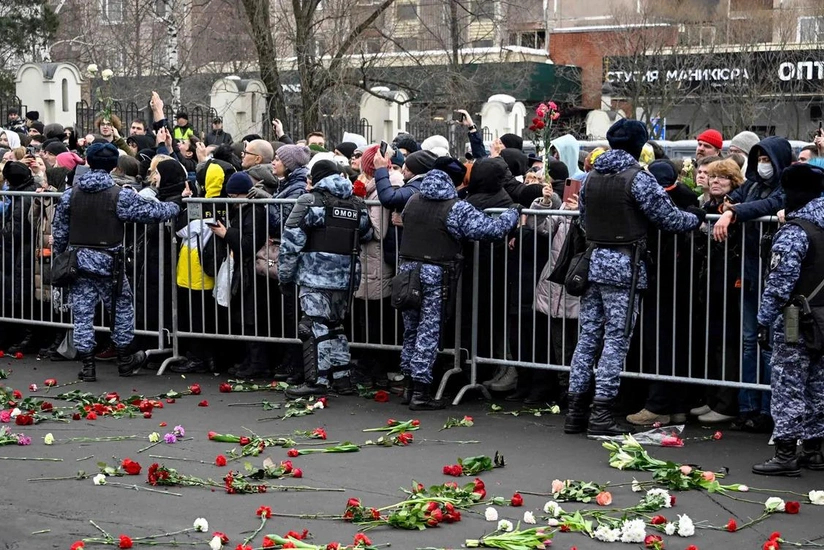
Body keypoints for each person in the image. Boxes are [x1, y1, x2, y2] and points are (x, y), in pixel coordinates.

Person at [564, 119, 705, 437]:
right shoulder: (637, 178)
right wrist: (695, 216)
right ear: (640, 145)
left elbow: (584, 220)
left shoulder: (591, 177)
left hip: (595, 260)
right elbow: (668, 218)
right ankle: (601, 412)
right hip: (625, 265)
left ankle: (575, 412)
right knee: (615, 340)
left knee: (587, 340)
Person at [51, 143, 188, 382]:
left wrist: (61, 255)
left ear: (89, 163)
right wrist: (176, 203)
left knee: (82, 314)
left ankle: (88, 366)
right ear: (114, 165)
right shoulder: (119, 194)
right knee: (122, 309)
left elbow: (60, 232)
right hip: (109, 263)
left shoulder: (70, 194)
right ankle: (125, 361)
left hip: (78, 261)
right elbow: (151, 213)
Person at [396, 163, 520, 410]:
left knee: (410, 331)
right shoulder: (454, 207)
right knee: (428, 333)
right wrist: (513, 213)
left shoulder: (412, 201)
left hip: (406, 271)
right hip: (435, 274)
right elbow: (490, 230)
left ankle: (409, 386)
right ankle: (421, 392)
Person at [713, 136, 793, 433]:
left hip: (773, 279)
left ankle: (772, 409)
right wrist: (731, 206)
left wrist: (734, 212)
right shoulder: (751, 184)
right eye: (758, 159)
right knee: (750, 343)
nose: (762, 165)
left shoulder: (785, 188)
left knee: (770, 345)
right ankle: (748, 407)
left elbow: (771, 204)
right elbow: (739, 198)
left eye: (766, 159)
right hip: (748, 276)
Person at [752, 162, 824, 477]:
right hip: (822, 315)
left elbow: (779, 285)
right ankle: (814, 449)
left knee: (789, 383)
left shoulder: (796, 232)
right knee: (818, 384)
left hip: (796, 316)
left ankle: (785, 452)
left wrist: (763, 320)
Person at [278, 161, 373, 397]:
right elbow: (367, 232)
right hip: (347, 277)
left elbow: (290, 243)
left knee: (313, 326)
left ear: (316, 177)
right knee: (335, 326)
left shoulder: (310, 201)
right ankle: (342, 379)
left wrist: (285, 277)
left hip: (315, 275)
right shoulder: (357, 203)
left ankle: (316, 381)